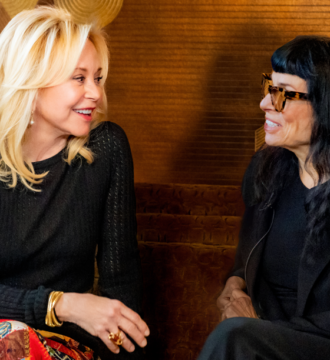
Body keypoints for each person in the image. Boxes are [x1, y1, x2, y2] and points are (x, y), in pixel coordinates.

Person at [0, 6, 149, 360]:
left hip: (66, 345)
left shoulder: (106, 148)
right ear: (31, 82)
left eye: (97, 78)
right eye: (79, 78)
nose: (96, 93)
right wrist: (60, 304)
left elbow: (121, 279)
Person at [198, 35, 330, 360]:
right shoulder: (264, 170)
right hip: (257, 343)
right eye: (269, 87)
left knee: (235, 339)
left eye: (283, 93)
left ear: (329, 106)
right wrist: (232, 290)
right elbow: (244, 266)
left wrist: (260, 334)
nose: (265, 103)